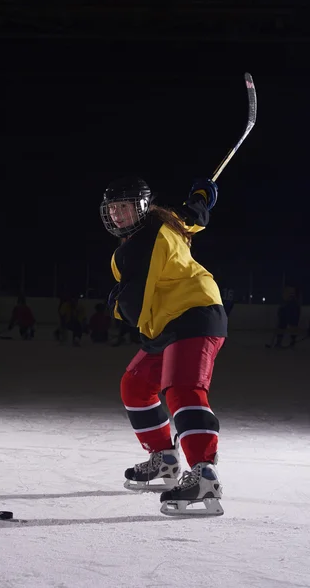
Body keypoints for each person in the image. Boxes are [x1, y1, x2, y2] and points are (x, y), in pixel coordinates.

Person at [100, 175, 227, 516]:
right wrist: (202, 196)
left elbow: (131, 307)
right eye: (112, 210)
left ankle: (204, 474)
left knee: (183, 389)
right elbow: (194, 215)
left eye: (123, 208)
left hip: (194, 313)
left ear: (141, 207)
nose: (116, 216)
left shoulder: (139, 246)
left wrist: (113, 303)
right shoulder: (165, 220)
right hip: (170, 321)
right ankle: (165, 459)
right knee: (137, 384)